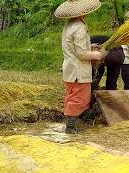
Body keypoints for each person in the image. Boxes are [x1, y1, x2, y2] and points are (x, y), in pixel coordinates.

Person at [54, 0, 105, 133]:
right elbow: (81, 54)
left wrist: (92, 47)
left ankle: (77, 121)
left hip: (70, 68)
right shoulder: (79, 27)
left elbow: (74, 47)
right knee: (78, 99)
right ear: (84, 12)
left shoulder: (69, 25)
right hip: (78, 70)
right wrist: (97, 55)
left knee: (73, 96)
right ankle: (70, 127)